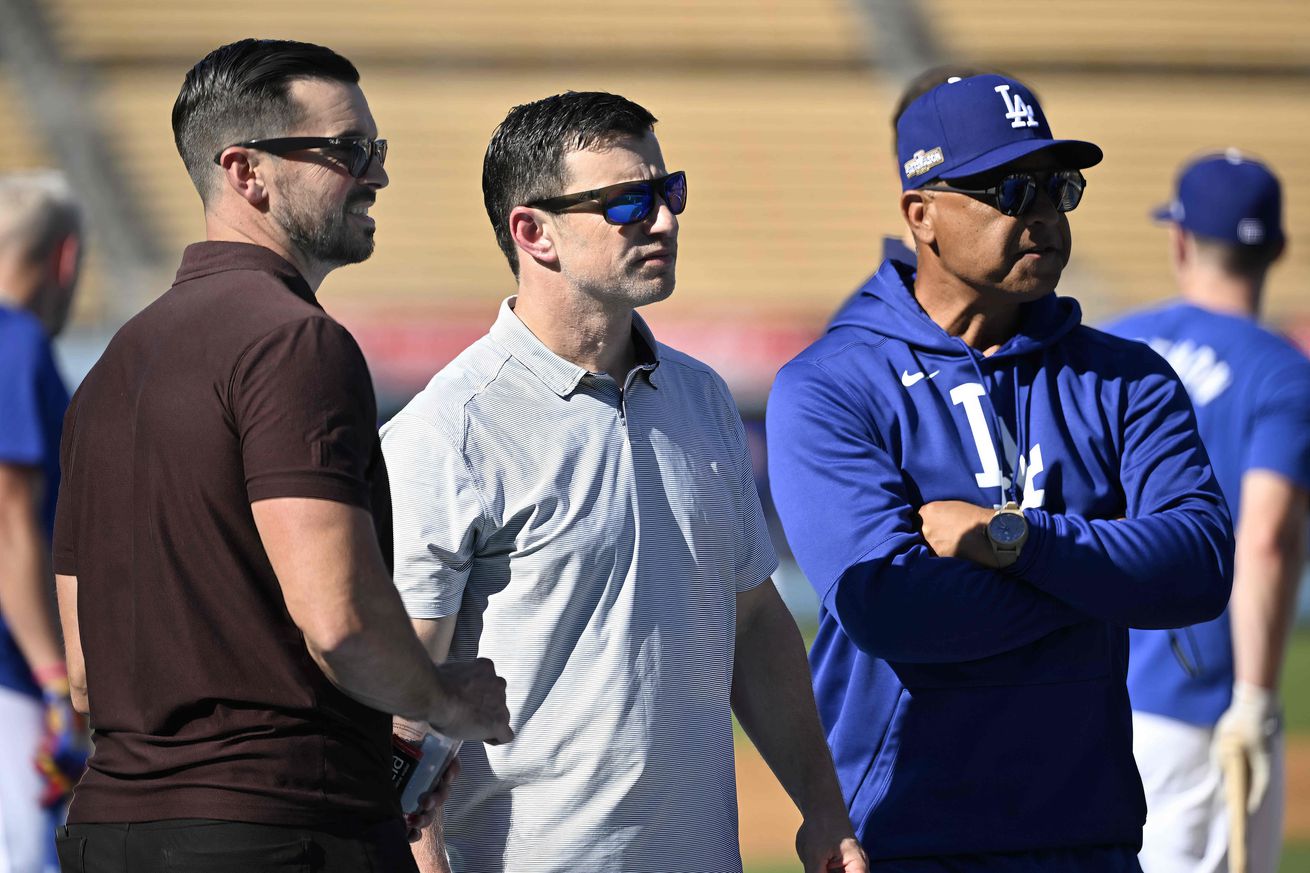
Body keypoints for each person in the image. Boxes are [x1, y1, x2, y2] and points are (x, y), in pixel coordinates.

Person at [49, 38, 511, 873]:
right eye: (347, 151)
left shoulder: (112, 367)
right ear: (246, 171)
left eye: (376, 149)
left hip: (108, 832)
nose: (376, 175)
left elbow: (86, 675)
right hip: (279, 829)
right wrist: (447, 701)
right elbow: (338, 621)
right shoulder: (295, 342)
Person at [381, 90, 867, 873]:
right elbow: (394, 708)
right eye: (628, 202)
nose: (665, 220)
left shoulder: (703, 397)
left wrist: (822, 809)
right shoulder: (448, 432)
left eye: (668, 192)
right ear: (532, 232)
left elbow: (753, 622)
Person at [766, 74, 1234, 870]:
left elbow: (1199, 566)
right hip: (899, 837)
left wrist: (1019, 541)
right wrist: (1104, 579)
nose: (1043, 213)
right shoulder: (830, 385)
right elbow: (892, 607)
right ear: (922, 214)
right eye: (1009, 188)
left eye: (1059, 186)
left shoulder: (1129, 377)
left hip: (1089, 837)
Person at [1103, 151, 1310, 873]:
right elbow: (1267, 538)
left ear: (1179, 239)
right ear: (1277, 250)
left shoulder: (1109, 347)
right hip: (1199, 704)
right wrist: (1254, 697)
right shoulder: (1281, 370)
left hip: (1085, 690)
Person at [0, 171, 86, 873]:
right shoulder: (15, 342)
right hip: (12, 678)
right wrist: (59, 680)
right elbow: (8, 520)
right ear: (65, 257)